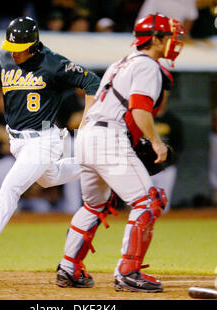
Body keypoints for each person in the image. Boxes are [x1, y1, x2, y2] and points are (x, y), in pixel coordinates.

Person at [0, 16, 100, 270]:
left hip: (43, 140)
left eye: (19, 49)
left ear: (33, 45)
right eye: (11, 47)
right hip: (18, 141)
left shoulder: (53, 63)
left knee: (10, 188)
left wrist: (86, 126)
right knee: (51, 177)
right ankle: (97, 162)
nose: (14, 53)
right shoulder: (6, 56)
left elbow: (92, 82)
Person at [56, 13, 185, 292]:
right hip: (108, 136)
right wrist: (156, 142)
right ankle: (128, 272)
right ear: (157, 39)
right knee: (148, 202)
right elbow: (139, 108)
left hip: (88, 134)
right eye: (170, 36)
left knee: (94, 205)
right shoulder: (148, 66)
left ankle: (69, 267)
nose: (175, 42)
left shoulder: (120, 63)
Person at [151, 92, 184, 212]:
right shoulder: (145, 117)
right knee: (143, 202)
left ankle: (161, 228)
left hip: (166, 168)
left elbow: (179, 146)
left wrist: (170, 161)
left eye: (164, 97)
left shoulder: (173, 120)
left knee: (163, 204)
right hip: (146, 167)